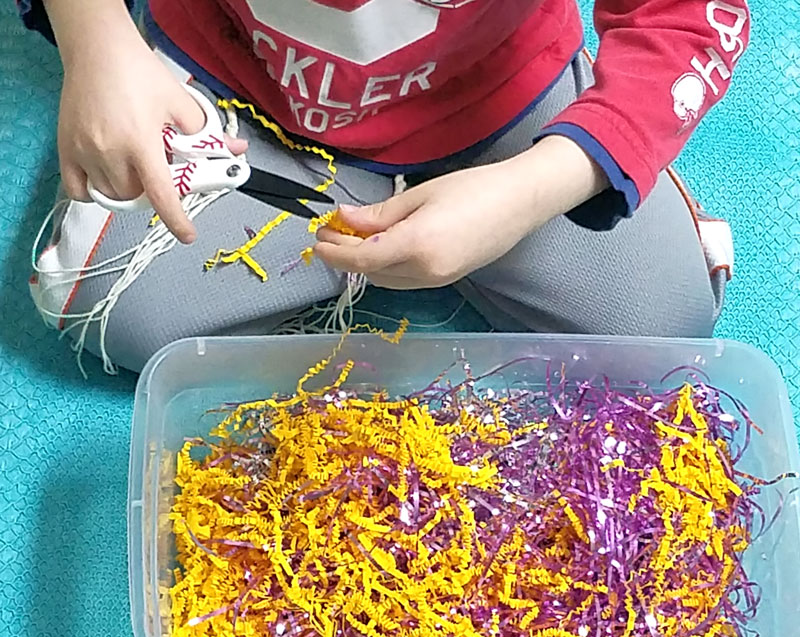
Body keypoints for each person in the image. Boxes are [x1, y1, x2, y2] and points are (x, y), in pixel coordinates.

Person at [21, 0, 746, 373]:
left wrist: (536, 186)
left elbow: (688, 19)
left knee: (657, 326)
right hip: (240, 91)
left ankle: (586, 172)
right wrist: (97, 42)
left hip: (498, 103)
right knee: (111, 309)